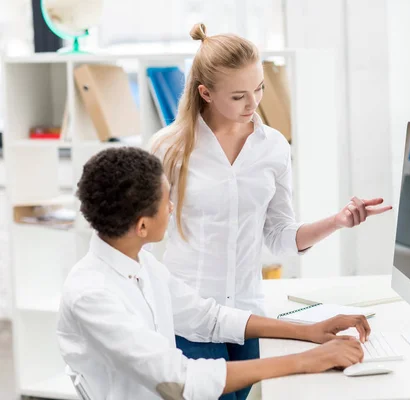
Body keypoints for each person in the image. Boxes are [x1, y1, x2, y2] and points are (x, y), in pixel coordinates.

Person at [150, 22, 392, 400]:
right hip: (188, 319)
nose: (254, 103)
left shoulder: (273, 147)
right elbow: (144, 238)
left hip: (248, 317)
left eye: (259, 88)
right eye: (239, 96)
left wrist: (337, 221)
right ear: (206, 93)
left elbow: (279, 235)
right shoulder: (168, 148)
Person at [56, 147, 371, 400]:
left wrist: (309, 331)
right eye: (167, 201)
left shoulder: (143, 263)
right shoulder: (91, 294)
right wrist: (305, 361)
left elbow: (208, 318)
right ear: (142, 226)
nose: (172, 208)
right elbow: (178, 381)